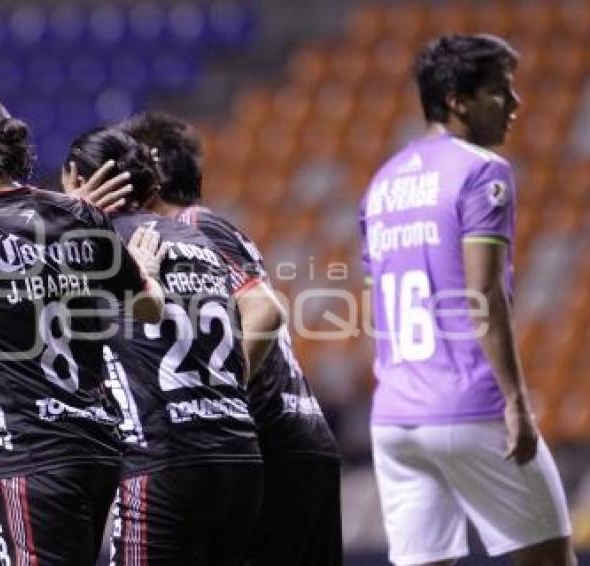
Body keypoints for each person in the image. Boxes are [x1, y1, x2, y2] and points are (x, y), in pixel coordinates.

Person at [0, 93, 166, 566]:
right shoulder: (80, 215)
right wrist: (138, 266)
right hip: (99, 447)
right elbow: (148, 308)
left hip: (30, 455)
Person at [359, 34, 575, 566]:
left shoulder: (381, 184)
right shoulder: (482, 171)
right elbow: (482, 292)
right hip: (469, 407)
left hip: (394, 419)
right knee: (550, 559)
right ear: (458, 100)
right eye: (500, 92)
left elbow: (374, 303)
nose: (516, 106)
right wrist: (517, 402)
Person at [117, 112, 341, 565]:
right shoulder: (187, 231)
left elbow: (266, 311)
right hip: (291, 439)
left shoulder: (193, 226)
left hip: (273, 439)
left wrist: (220, 396)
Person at [63, 128, 265, 566]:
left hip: (164, 458)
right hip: (240, 454)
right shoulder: (200, 241)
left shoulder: (88, 243)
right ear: (150, 184)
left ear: (73, 177)